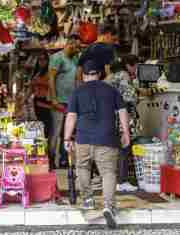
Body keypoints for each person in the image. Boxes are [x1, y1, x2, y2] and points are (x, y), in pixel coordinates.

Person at [64, 59, 130, 229]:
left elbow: (71, 116)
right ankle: (108, 206)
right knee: (108, 172)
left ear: (83, 75)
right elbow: (123, 111)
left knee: (83, 168)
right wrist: (126, 133)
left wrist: (67, 138)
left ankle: (88, 200)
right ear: (99, 74)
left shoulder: (77, 92)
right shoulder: (111, 90)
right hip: (107, 137)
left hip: (84, 138)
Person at [105, 55, 139, 192]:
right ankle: (122, 180)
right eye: (135, 65)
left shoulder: (111, 76)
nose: (136, 69)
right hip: (121, 116)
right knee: (125, 146)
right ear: (129, 65)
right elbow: (130, 98)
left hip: (108, 117)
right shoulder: (124, 75)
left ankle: (112, 180)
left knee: (113, 149)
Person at [48, 34, 81, 168]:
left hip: (71, 101)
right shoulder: (57, 58)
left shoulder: (75, 59)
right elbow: (51, 79)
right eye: (77, 47)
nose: (79, 49)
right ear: (70, 44)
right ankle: (50, 159)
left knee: (67, 133)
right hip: (59, 101)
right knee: (56, 131)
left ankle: (63, 159)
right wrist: (54, 99)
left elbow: (78, 79)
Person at [31, 51, 52, 138]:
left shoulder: (50, 72)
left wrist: (38, 83)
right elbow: (31, 88)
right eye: (40, 60)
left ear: (47, 61)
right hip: (37, 101)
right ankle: (41, 144)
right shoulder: (37, 72)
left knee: (45, 126)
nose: (41, 62)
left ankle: (45, 145)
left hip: (45, 101)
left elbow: (52, 85)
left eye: (44, 59)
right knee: (39, 124)